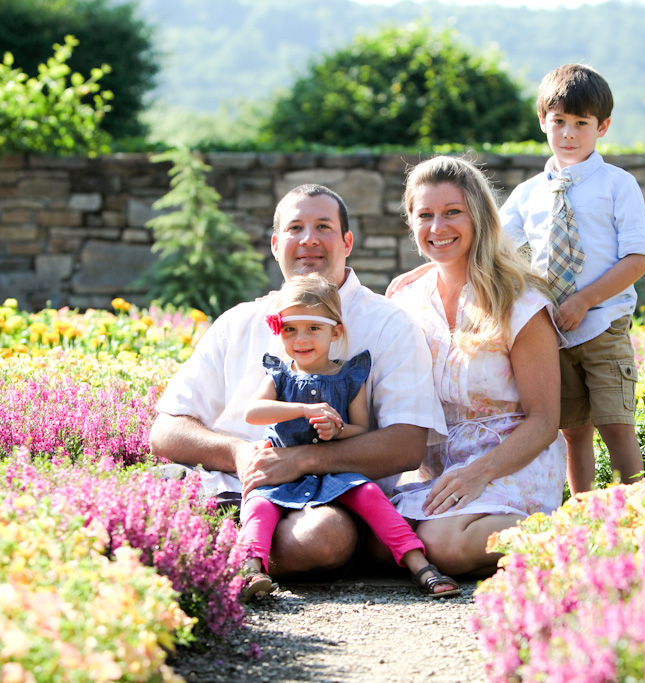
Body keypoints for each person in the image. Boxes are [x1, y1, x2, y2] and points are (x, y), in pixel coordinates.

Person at [150, 184, 448, 579]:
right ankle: (220, 544)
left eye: (323, 226)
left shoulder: (389, 325)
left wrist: (303, 460)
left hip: (328, 499)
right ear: (276, 245)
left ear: (347, 242)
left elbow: (408, 444)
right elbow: (167, 429)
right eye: (295, 228)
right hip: (231, 483)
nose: (309, 239)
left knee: (323, 538)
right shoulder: (237, 322)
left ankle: (200, 549)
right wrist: (240, 455)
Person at [386, 156, 564, 578]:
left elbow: (545, 420)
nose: (437, 227)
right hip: (439, 468)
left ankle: (575, 533)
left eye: (452, 213)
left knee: (449, 547)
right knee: (379, 536)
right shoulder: (405, 299)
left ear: (479, 217)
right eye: (424, 215)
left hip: (512, 459)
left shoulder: (518, 300)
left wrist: (479, 473)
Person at [238, 273, 460, 599]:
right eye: (290, 329)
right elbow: (253, 412)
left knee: (371, 495)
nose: (301, 339)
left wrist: (339, 430)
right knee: (257, 506)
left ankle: (420, 565)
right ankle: (250, 571)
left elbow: (362, 429)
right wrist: (302, 410)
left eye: (313, 328)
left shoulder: (349, 376)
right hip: (281, 472)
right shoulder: (279, 374)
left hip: (334, 473)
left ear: (335, 331)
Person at [499, 63, 645, 495]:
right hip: (552, 331)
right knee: (572, 430)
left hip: (603, 322)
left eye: (581, 123)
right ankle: (585, 511)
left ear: (602, 126)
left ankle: (636, 511)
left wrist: (584, 300)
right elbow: (498, 250)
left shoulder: (617, 185)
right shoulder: (528, 194)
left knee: (615, 423)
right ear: (542, 122)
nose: (569, 133)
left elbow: (639, 255)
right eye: (559, 122)